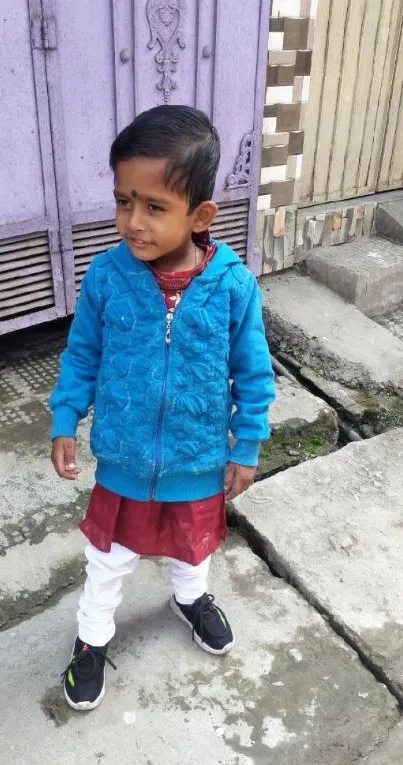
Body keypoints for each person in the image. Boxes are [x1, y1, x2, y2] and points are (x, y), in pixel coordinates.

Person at [50, 105, 275, 711]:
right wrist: (65, 417)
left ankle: (190, 599)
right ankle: (92, 638)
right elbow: (82, 354)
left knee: (194, 548)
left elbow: (254, 375)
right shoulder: (106, 276)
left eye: (153, 207)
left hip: (198, 458)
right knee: (109, 561)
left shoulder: (233, 287)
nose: (133, 222)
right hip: (124, 459)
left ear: (200, 215)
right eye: (125, 201)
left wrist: (246, 446)